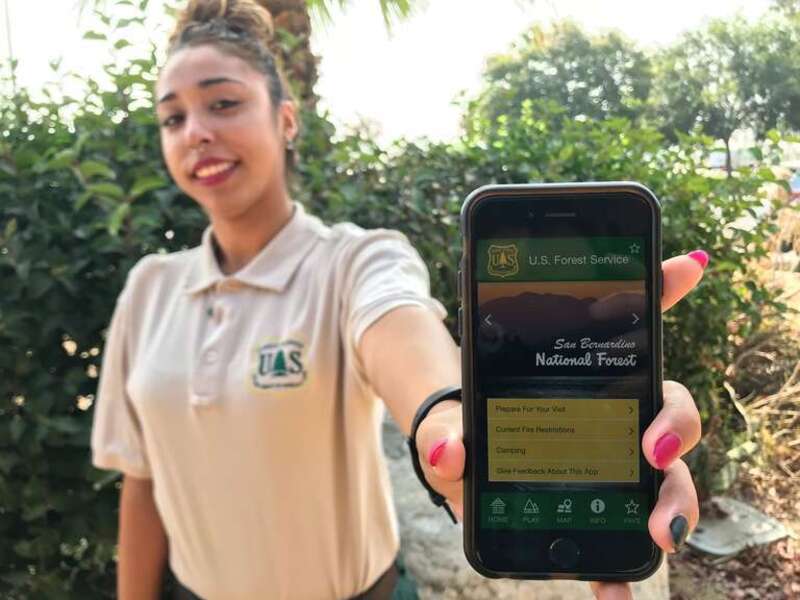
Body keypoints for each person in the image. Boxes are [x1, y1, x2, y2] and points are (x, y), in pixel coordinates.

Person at [90, 1, 706, 599]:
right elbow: (141, 480)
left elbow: (401, 334)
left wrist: (448, 420)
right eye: (172, 118)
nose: (196, 132)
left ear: (286, 119)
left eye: (224, 103)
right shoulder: (149, 287)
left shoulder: (357, 261)